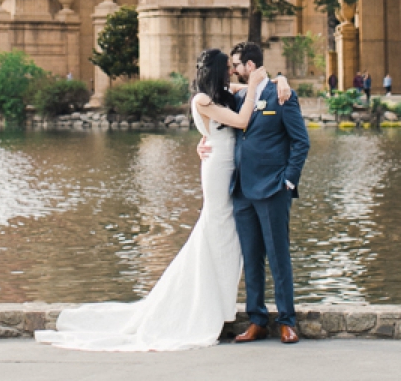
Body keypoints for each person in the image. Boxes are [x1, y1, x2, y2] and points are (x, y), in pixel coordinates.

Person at [34, 49, 268, 351]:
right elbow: (241, 119)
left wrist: (274, 81)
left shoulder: (223, 94)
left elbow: (258, 89)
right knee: (217, 230)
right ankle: (206, 305)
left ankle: (219, 304)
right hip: (217, 170)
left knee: (224, 236)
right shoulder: (202, 100)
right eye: (227, 68)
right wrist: (252, 87)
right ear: (215, 71)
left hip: (228, 165)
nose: (232, 72)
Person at [218, 41, 310, 344]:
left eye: (237, 64)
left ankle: (287, 320)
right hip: (242, 189)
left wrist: (288, 180)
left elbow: (301, 142)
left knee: (278, 255)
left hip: (273, 188)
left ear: (251, 66)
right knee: (251, 257)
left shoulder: (281, 95)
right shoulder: (240, 96)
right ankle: (256, 320)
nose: (233, 69)